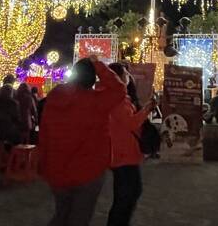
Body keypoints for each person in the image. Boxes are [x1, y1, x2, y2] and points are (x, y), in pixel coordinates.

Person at [39, 57, 125, 226]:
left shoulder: (54, 99)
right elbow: (119, 89)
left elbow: (44, 134)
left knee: (61, 214)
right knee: (79, 218)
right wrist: (98, 65)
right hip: (88, 171)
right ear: (93, 78)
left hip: (56, 169)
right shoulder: (97, 102)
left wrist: (43, 164)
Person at [107, 63, 155, 226]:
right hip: (123, 155)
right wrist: (147, 109)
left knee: (126, 195)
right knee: (127, 196)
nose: (128, 75)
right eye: (126, 73)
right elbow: (131, 123)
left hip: (123, 153)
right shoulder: (117, 100)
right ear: (118, 77)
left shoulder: (116, 97)